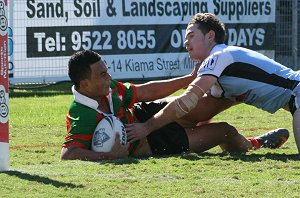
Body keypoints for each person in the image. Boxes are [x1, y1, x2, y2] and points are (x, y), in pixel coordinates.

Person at [60, 50, 288, 161]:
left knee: (202, 103)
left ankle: (257, 93)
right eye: (102, 74)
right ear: (84, 83)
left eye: (107, 70)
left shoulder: (108, 88)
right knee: (225, 131)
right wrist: (110, 156)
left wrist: (189, 79)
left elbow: (147, 92)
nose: (109, 76)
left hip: (145, 116)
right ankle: (255, 144)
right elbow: (68, 154)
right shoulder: (82, 112)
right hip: (155, 143)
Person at [126, 12, 297, 152]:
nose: (186, 43)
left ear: (210, 36)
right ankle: (257, 144)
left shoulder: (218, 56)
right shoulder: (218, 73)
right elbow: (207, 107)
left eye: (191, 36)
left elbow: (187, 100)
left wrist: (146, 127)